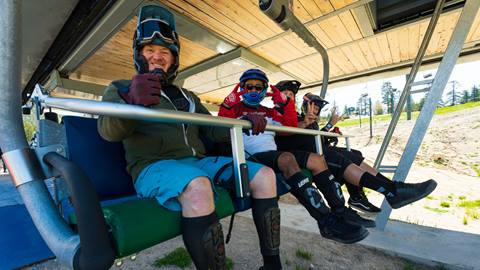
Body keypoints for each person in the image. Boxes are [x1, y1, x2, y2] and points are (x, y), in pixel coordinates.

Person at [97, 5, 282, 270]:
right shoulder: (120, 89)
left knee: (265, 176)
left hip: (196, 162)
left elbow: (212, 128)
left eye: (164, 52)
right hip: (153, 167)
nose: (158, 57)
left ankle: (272, 264)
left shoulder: (188, 97)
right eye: (150, 51)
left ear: (173, 59)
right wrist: (131, 103)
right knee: (198, 187)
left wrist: (243, 122)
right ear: (139, 55)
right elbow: (108, 132)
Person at [219, 69, 370, 244]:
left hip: (272, 154)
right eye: (248, 87)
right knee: (287, 159)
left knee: (317, 159)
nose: (253, 91)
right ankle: (325, 220)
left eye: (257, 87)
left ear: (264, 89)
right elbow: (221, 127)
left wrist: (285, 103)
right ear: (241, 88)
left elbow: (289, 125)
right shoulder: (235, 108)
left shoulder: (269, 112)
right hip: (249, 157)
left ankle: (339, 211)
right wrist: (232, 106)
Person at [273, 80, 437, 213]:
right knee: (341, 158)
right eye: (285, 94)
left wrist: (325, 127)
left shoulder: (297, 117)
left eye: (291, 95)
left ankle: (392, 189)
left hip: (314, 150)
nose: (289, 97)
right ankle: (390, 191)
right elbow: (287, 135)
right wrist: (322, 125)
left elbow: (309, 136)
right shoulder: (276, 114)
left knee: (353, 154)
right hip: (302, 155)